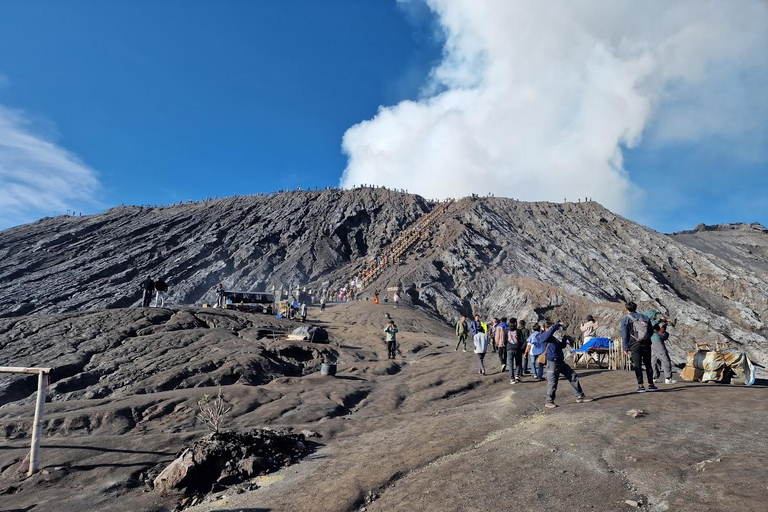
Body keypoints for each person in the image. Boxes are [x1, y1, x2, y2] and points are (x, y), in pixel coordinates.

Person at [540, 321, 593, 408]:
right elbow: (550, 331)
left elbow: (561, 346)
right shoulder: (543, 337)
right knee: (552, 383)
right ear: (546, 328)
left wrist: (564, 338)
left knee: (573, 376)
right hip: (552, 362)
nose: (553, 329)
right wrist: (556, 325)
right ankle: (549, 401)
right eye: (550, 327)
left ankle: (580, 396)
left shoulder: (553, 338)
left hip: (560, 361)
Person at [621, 302, 657, 393]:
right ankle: (651, 385)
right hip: (646, 343)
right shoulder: (645, 318)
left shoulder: (625, 319)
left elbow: (624, 335)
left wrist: (625, 347)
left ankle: (641, 386)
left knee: (637, 365)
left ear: (627, 310)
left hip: (634, 344)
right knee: (648, 364)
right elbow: (651, 332)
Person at [506, 318, 525, 384]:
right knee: (518, 363)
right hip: (517, 348)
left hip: (509, 348)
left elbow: (504, 340)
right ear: (515, 323)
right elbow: (522, 340)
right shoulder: (519, 331)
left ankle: (512, 378)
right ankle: (517, 375)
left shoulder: (506, 330)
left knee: (510, 364)